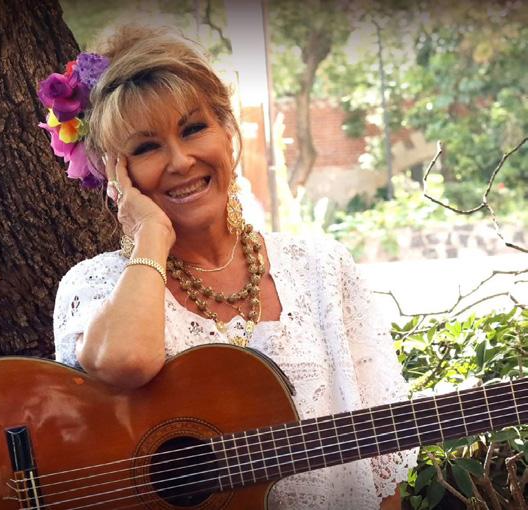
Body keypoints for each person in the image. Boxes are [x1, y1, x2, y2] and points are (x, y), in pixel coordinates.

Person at [47, 25, 416, 510]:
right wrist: (151, 236)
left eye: (192, 129)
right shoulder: (95, 286)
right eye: (146, 147)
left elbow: (382, 458)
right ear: (116, 174)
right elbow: (126, 363)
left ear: (227, 132)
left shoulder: (322, 269)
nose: (181, 161)